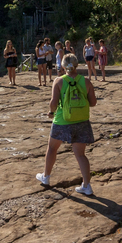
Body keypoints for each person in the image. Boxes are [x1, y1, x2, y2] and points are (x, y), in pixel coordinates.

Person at [37, 54, 97, 196]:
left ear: (63, 66)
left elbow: (53, 103)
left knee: (52, 148)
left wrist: (51, 112)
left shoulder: (58, 81)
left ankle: (46, 177)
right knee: (81, 155)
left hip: (62, 121)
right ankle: (87, 186)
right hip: (81, 121)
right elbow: (93, 103)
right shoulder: (86, 81)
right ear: (77, 65)